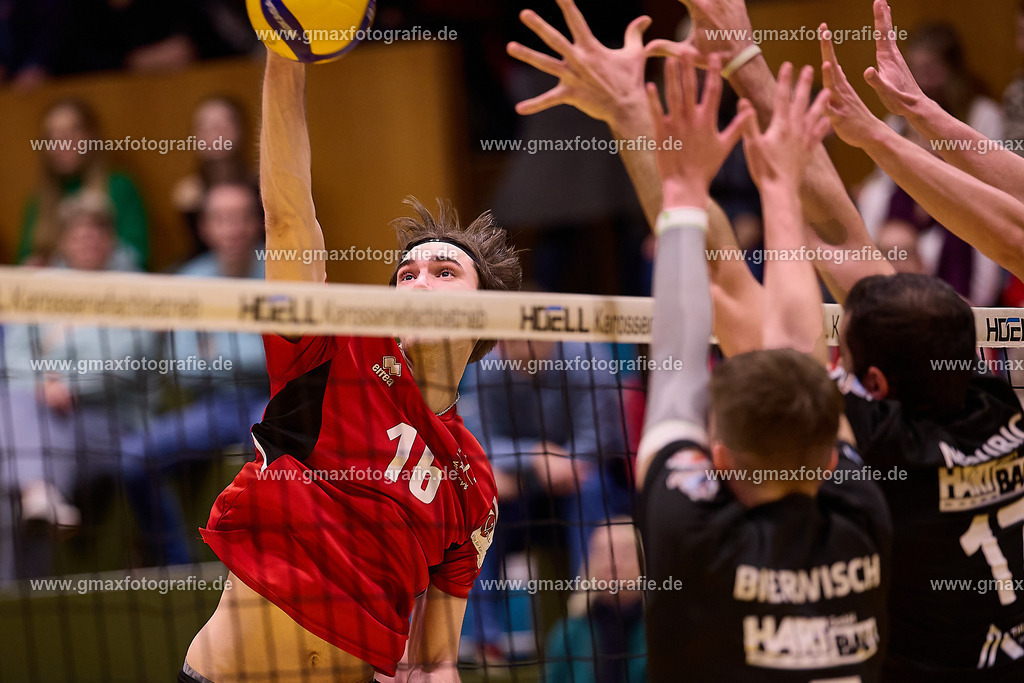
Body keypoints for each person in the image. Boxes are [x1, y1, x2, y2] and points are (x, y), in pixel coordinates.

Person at [182, 49, 523, 683]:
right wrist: (285, 56)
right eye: (406, 272)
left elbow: (433, 662)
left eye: (444, 272)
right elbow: (289, 219)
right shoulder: (333, 350)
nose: (417, 279)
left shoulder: (472, 482)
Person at [634, 50, 891, 681]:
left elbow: (691, 364)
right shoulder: (862, 525)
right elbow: (695, 363)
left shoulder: (694, 536)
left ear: (719, 458)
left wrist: (689, 189)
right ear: (831, 458)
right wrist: (723, 196)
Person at [0, 190, 156, 580]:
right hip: (42, 417)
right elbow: (14, 354)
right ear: (63, 240)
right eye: (77, 232)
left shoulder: (137, 289)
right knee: (16, 417)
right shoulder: (42, 285)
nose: (87, 239)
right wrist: (42, 385)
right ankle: (20, 605)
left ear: (111, 237)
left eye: (96, 230)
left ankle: (39, 492)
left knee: (19, 451)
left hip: (112, 422)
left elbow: (124, 362)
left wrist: (67, 382)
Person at [120, 182, 268, 566]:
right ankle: (178, 566)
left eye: (242, 217)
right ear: (205, 228)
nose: (233, 228)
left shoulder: (283, 270)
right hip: (215, 406)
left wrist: (220, 349)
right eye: (221, 219)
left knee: (288, 462)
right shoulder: (189, 280)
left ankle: (271, 569)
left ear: (257, 223)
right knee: (135, 457)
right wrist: (255, 345)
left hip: (274, 404)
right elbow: (185, 368)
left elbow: (292, 356)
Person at [20, 98, 149, 268]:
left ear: (90, 136)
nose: (62, 142)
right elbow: (22, 263)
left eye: (71, 132)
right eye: (52, 136)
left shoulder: (119, 187)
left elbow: (138, 256)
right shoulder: (38, 200)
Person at [543, 519, 646, 683]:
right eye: (603, 554)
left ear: (644, 561)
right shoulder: (569, 633)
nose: (613, 563)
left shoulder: (660, 630)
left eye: (625, 554)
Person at [171, 96, 257, 257]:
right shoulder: (187, 194)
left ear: (241, 130)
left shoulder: (262, 187)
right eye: (205, 129)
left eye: (222, 127)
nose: (216, 136)